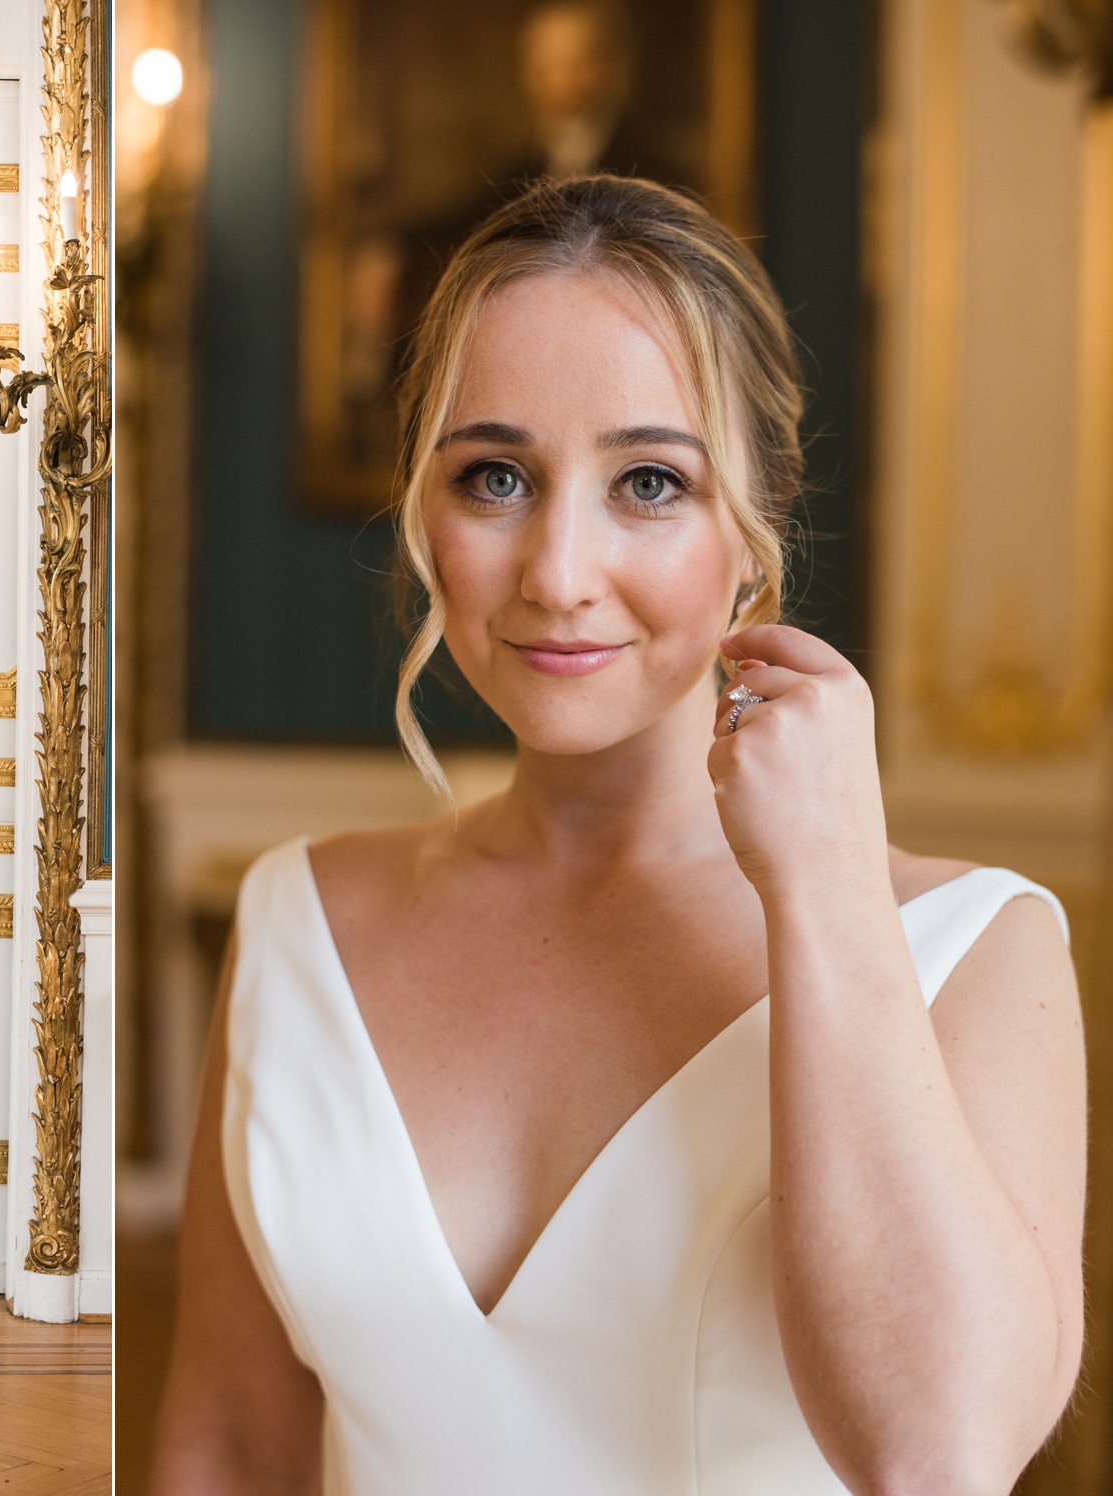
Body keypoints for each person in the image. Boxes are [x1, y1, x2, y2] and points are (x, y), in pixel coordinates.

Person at [154, 177, 1085, 1492]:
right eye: (495, 477)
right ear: (423, 509)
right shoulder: (298, 916)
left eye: (650, 481)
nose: (557, 571)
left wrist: (823, 889)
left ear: (753, 532)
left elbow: (935, 1454)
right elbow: (231, 1446)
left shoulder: (977, 949)